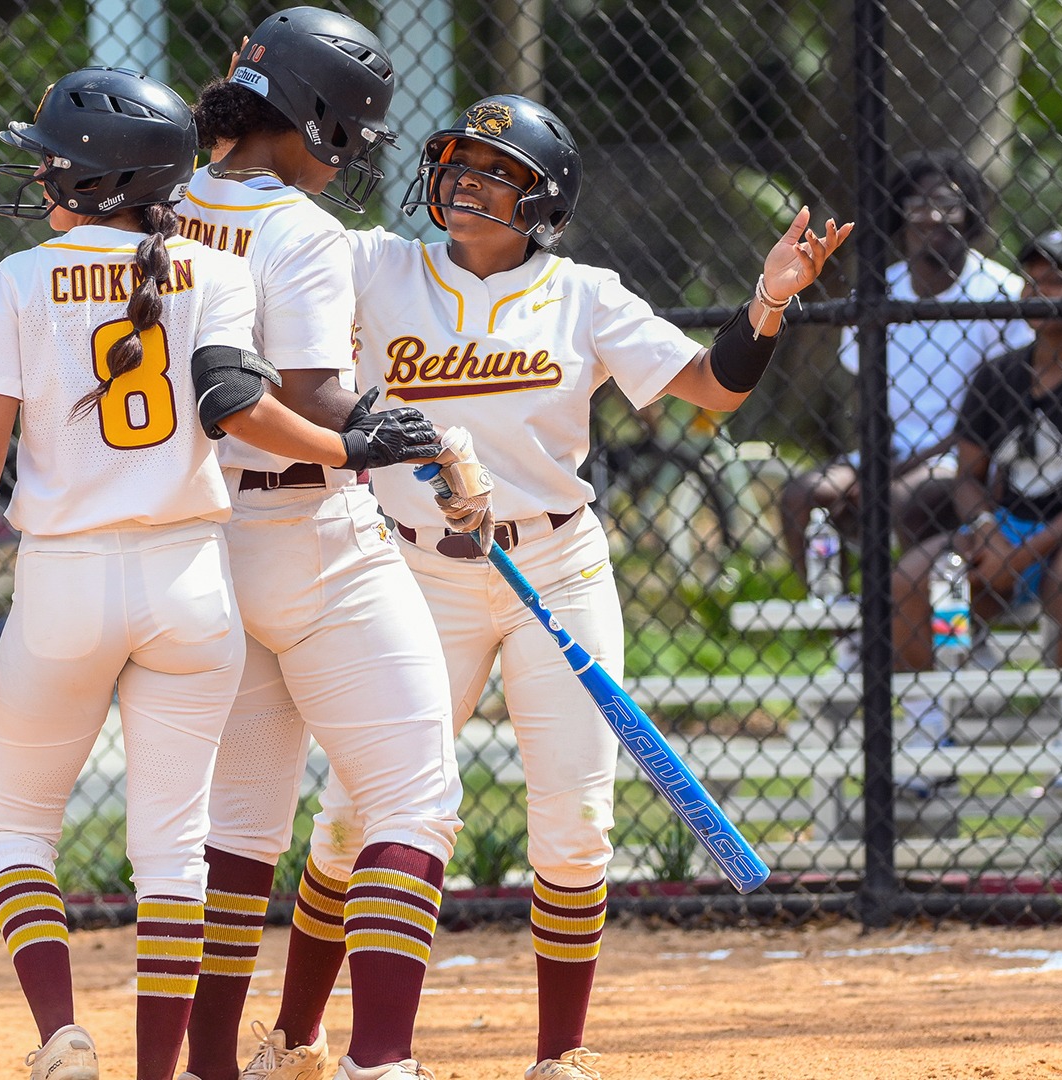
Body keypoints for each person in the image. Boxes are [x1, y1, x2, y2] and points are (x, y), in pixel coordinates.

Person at [272, 95, 849, 1080]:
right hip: (414, 570)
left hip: (554, 565)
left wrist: (770, 297)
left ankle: (560, 1057)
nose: (468, 183)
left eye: (497, 172)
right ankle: (295, 1040)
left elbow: (716, 388)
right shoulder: (377, 267)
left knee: (577, 826)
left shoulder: (585, 295)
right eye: (459, 164)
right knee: (354, 814)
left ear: (545, 199)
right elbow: (280, 259)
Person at [0, 68, 443, 1080]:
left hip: (66, 583)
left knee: (19, 827)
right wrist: (349, 451)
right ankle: (166, 1074)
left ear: (101, 182)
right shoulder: (209, 269)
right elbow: (236, 405)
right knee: (174, 850)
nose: (38, 172)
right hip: (194, 584)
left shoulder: (23, 277)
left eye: (52, 161)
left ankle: (64, 1036)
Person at [170, 13, 465, 1080]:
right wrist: (406, 433)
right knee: (413, 796)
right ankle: (381, 1064)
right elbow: (311, 395)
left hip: (202, 541)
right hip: (312, 533)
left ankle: (210, 1066)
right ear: (321, 121)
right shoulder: (299, 229)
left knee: (240, 826)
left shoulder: (162, 203)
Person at [892, 228, 1062, 798]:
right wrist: (987, 531)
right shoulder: (997, 377)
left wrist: (1025, 553)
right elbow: (967, 475)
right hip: (1009, 526)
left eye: (1058, 280)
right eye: (1033, 280)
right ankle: (928, 737)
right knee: (914, 578)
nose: (1041, 291)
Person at [779, 151, 1031, 631]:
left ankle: (943, 632)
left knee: (902, 499)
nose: (932, 216)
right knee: (800, 497)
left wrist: (895, 470)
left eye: (947, 204)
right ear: (900, 213)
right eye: (918, 203)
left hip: (972, 453)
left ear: (970, 214)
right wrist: (875, 461)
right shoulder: (877, 290)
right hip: (890, 453)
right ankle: (849, 636)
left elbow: (1006, 409)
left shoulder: (999, 290)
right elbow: (867, 401)